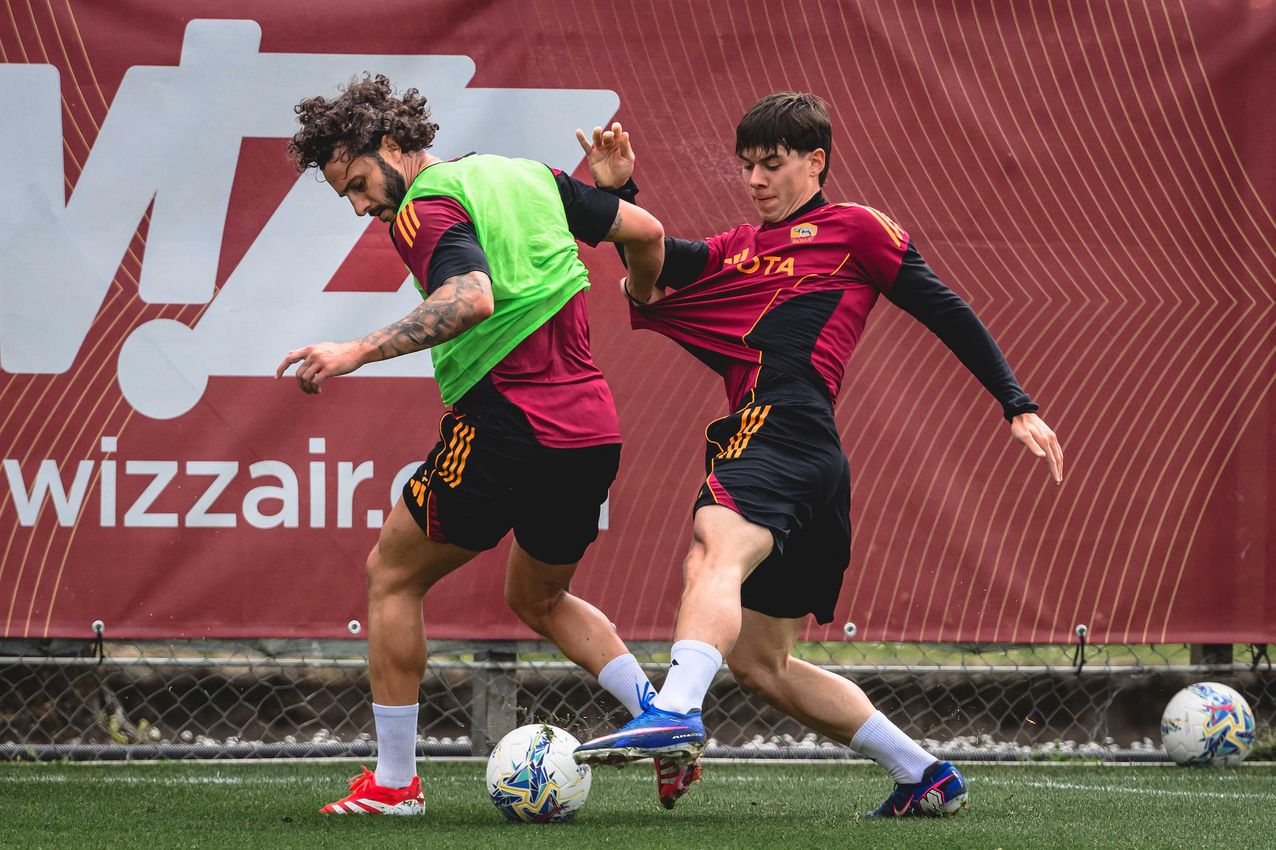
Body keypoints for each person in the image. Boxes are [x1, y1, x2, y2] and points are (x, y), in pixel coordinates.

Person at [571, 94, 1064, 817]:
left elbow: (944, 307)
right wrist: (620, 194)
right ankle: (924, 773)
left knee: (713, 548)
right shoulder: (737, 247)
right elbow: (654, 256)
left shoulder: (854, 229)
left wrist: (1015, 400)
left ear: (816, 161)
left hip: (785, 424)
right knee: (760, 663)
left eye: (772, 165)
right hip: (802, 451)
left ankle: (676, 708)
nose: (756, 180)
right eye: (747, 167)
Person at [278, 74, 700, 815]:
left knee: (392, 575)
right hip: (591, 430)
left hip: (509, 425)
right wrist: (637, 278)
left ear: (391, 145)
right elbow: (648, 233)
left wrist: (354, 350)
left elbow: (470, 295)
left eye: (356, 183)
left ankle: (395, 783)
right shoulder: (527, 177)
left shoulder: (424, 207)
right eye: (344, 194)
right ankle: (662, 717)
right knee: (538, 595)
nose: (359, 205)